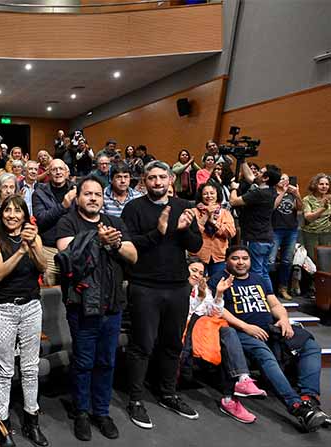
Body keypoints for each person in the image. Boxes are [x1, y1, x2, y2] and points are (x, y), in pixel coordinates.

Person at [208, 246, 329, 432]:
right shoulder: (219, 279)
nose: (241, 262)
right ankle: (297, 407)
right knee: (264, 354)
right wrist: (246, 326)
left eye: (244, 258)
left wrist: (284, 320)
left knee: (309, 345)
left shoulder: (259, 279)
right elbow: (218, 309)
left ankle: (309, 399)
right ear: (227, 261)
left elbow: (274, 303)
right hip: (240, 331)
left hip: (269, 329)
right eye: (235, 258)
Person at [121, 160, 203, 429]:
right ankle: (135, 399)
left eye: (162, 177)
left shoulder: (183, 207)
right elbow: (130, 246)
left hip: (178, 285)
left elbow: (196, 245)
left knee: (172, 344)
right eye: (152, 178)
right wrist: (160, 231)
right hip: (144, 285)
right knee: (142, 345)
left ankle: (168, 393)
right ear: (144, 181)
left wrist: (184, 230)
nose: (157, 182)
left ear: (170, 180)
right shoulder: (134, 208)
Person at [56, 176, 137, 441]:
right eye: (88, 194)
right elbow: (69, 260)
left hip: (112, 305)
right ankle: (81, 411)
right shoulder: (68, 222)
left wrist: (113, 243)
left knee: (106, 361)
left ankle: (101, 411)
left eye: (98, 195)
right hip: (82, 306)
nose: (93, 198)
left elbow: (133, 255)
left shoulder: (114, 222)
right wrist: (98, 241)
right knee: (83, 361)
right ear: (78, 197)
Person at [0, 195, 48, 446]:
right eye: (7, 211)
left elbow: (43, 266)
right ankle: (3, 425)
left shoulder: (35, 238)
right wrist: (21, 249)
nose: (12, 215)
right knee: (5, 369)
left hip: (31, 306)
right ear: (1, 215)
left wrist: (32, 246)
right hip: (2, 309)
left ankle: (32, 420)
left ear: (24, 214)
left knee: (31, 367)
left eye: (17, 211)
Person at [181, 258, 265, 424]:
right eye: (193, 270)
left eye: (201, 272)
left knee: (227, 333)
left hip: (207, 332)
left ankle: (241, 382)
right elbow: (185, 312)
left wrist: (218, 294)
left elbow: (215, 312)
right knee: (224, 331)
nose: (197, 275)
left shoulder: (202, 289)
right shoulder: (175, 286)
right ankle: (232, 393)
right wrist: (200, 298)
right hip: (185, 331)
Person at [229, 163, 281, 291]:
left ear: (265, 178)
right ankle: (270, 298)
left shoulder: (259, 193)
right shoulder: (270, 190)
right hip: (267, 238)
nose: (257, 173)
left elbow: (233, 201)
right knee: (263, 272)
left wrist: (234, 188)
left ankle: (261, 300)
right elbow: (251, 177)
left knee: (256, 273)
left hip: (256, 238)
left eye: (261, 171)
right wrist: (243, 161)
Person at [32, 159, 76, 286]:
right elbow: (41, 219)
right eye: (54, 169)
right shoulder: (39, 193)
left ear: (67, 172)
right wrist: (63, 206)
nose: (58, 172)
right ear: (48, 173)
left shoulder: (76, 190)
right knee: (50, 292)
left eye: (61, 169)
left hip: (72, 248)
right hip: (49, 249)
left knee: (73, 289)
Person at [189, 182, 236, 277]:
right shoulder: (193, 212)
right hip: (198, 256)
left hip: (219, 256)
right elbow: (192, 233)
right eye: (205, 193)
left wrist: (214, 222)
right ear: (201, 196)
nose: (209, 196)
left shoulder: (224, 213)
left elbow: (231, 233)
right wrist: (206, 215)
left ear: (217, 195)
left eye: (212, 193)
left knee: (217, 284)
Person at [270, 174, 302, 299]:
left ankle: (283, 288)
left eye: (286, 179)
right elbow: (273, 206)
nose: (285, 181)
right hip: (275, 230)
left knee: (287, 261)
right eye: (282, 178)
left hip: (291, 230)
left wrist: (297, 194)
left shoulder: (292, 194)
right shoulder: (272, 192)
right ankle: (269, 289)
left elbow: (300, 208)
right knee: (270, 261)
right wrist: (283, 192)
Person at [301, 173, 331, 259]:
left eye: (327, 184)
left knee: (326, 260)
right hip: (311, 234)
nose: (324, 186)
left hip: (327, 233)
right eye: (321, 184)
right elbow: (308, 218)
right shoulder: (307, 199)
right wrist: (322, 208)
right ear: (315, 185)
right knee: (313, 260)